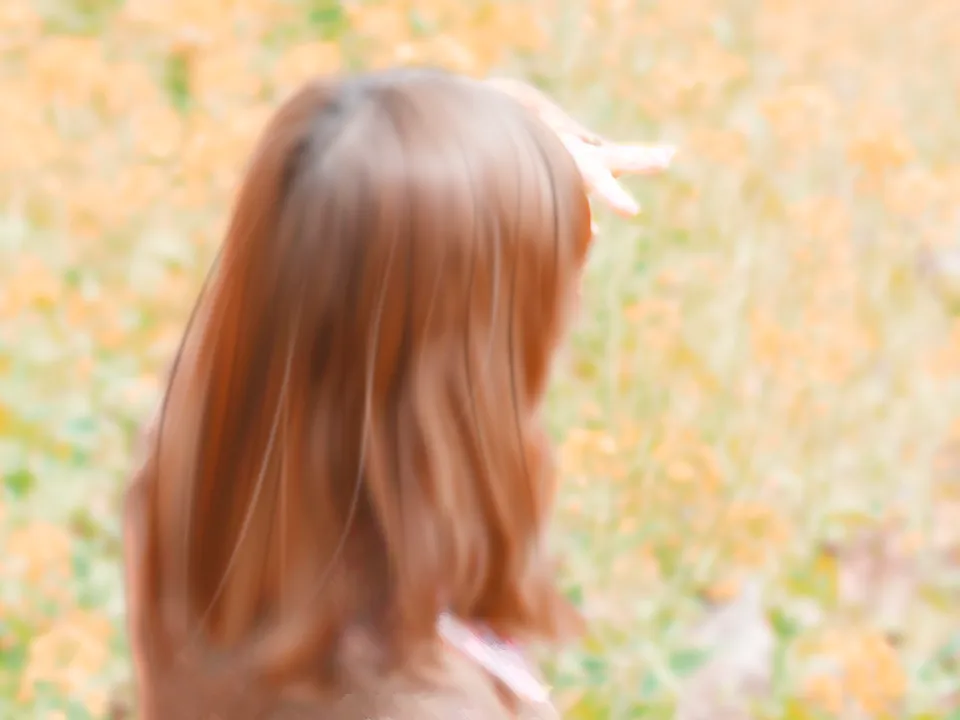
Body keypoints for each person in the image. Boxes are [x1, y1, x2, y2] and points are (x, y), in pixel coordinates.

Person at [122, 67, 673, 720]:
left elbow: (328, 225)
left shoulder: (205, 474)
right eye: (543, 302)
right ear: (459, 376)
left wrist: (484, 160)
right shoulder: (424, 702)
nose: (569, 318)